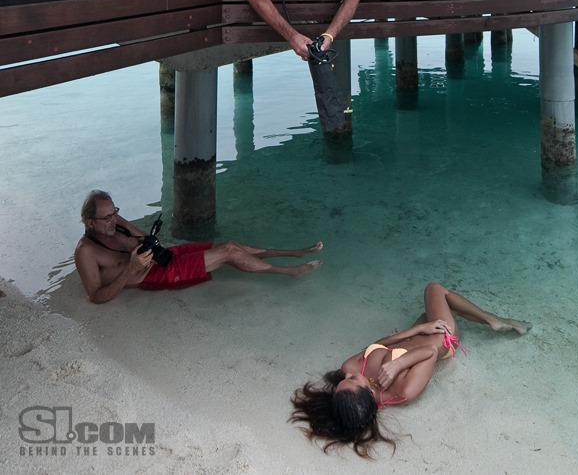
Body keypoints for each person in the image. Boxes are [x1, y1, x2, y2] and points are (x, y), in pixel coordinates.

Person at [290, 280, 531, 457]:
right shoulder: (403, 392)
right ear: (367, 395)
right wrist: (398, 364)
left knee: (427, 314)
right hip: (442, 340)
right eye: (353, 380)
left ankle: (495, 321)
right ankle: (495, 320)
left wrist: (418, 330)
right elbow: (430, 354)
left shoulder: (350, 367)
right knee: (434, 289)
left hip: (420, 333)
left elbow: (381, 343)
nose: (349, 374)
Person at [75, 191, 323, 304]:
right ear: (89, 222)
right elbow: (96, 297)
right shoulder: (86, 252)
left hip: (163, 257)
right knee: (228, 253)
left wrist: (147, 241)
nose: (113, 219)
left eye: (114, 212)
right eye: (106, 217)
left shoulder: (115, 223)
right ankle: (287, 271)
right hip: (152, 275)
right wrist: (131, 269)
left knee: (232, 244)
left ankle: (289, 252)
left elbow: (143, 238)